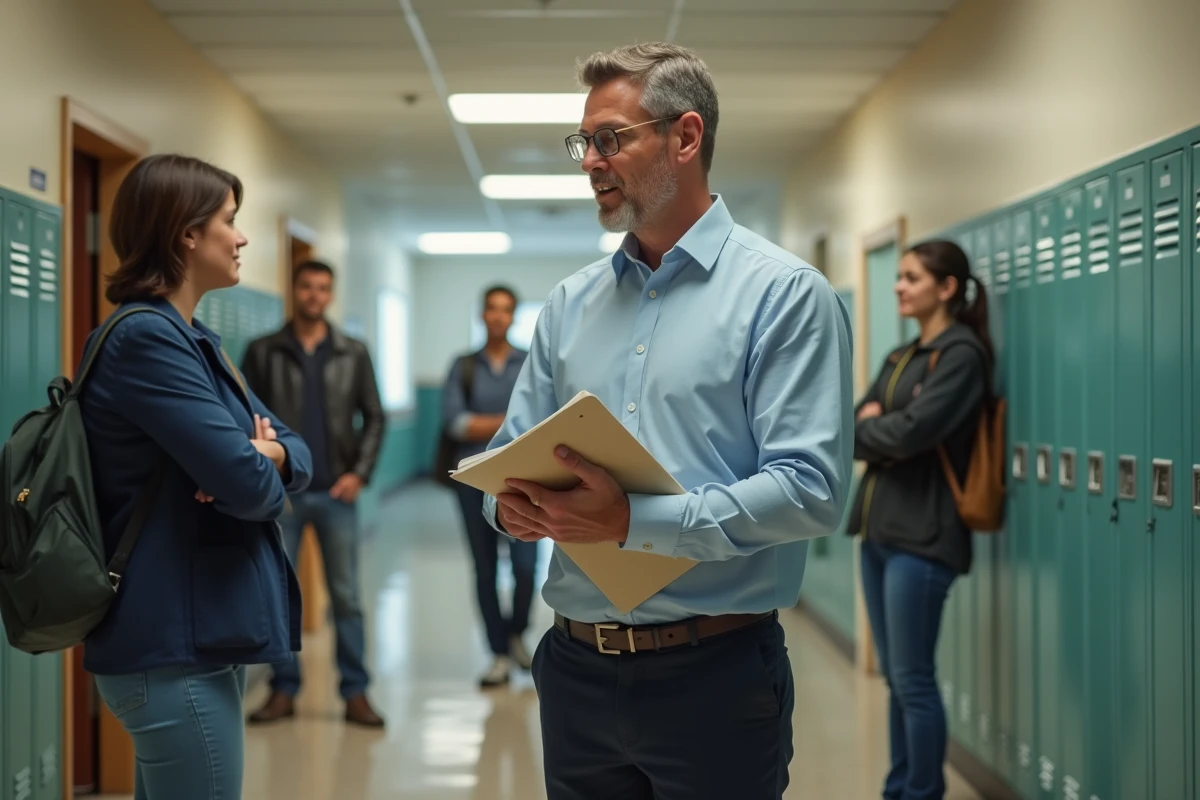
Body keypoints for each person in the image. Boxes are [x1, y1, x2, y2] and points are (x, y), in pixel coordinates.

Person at [481, 42, 854, 799]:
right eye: (585, 142)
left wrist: (632, 521)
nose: (590, 160)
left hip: (713, 676)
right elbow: (503, 460)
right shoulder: (569, 304)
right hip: (576, 671)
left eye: (611, 139)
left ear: (685, 138)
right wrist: (512, 507)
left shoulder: (782, 295)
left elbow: (811, 488)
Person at [79, 153, 312, 799]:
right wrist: (253, 463)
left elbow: (296, 453)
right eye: (229, 221)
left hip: (198, 637)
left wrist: (265, 456)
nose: (241, 239)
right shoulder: (145, 340)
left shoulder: (193, 337)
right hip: (167, 642)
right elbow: (251, 487)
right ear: (186, 233)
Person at [848, 239, 992, 800]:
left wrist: (884, 426)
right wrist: (880, 427)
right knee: (895, 680)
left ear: (947, 288)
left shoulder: (962, 355)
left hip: (924, 536)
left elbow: (911, 433)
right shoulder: (902, 357)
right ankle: (899, 789)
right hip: (879, 530)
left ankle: (923, 791)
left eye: (911, 278)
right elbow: (857, 425)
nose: (898, 286)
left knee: (913, 679)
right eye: (899, 276)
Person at [240, 259, 387, 727]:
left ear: (331, 294)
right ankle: (283, 689)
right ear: (295, 290)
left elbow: (375, 416)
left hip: (337, 494)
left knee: (345, 596)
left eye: (323, 288)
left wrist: (358, 474)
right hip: (279, 495)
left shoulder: (352, 352)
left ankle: (356, 692)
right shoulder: (264, 352)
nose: (314, 295)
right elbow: (243, 419)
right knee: (279, 593)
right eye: (307, 286)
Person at [441, 285, 536, 688]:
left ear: (514, 316)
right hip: (473, 480)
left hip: (526, 479)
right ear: (482, 315)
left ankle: (516, 634)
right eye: (491, 309)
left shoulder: (529, 361)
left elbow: (539, 421)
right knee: (484, 569)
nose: (498, 316)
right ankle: (497, 653)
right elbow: (455, 423)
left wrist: (486, 421)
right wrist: (510, 421)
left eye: (506, 310)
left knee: (526, 568)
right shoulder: (462, 366)